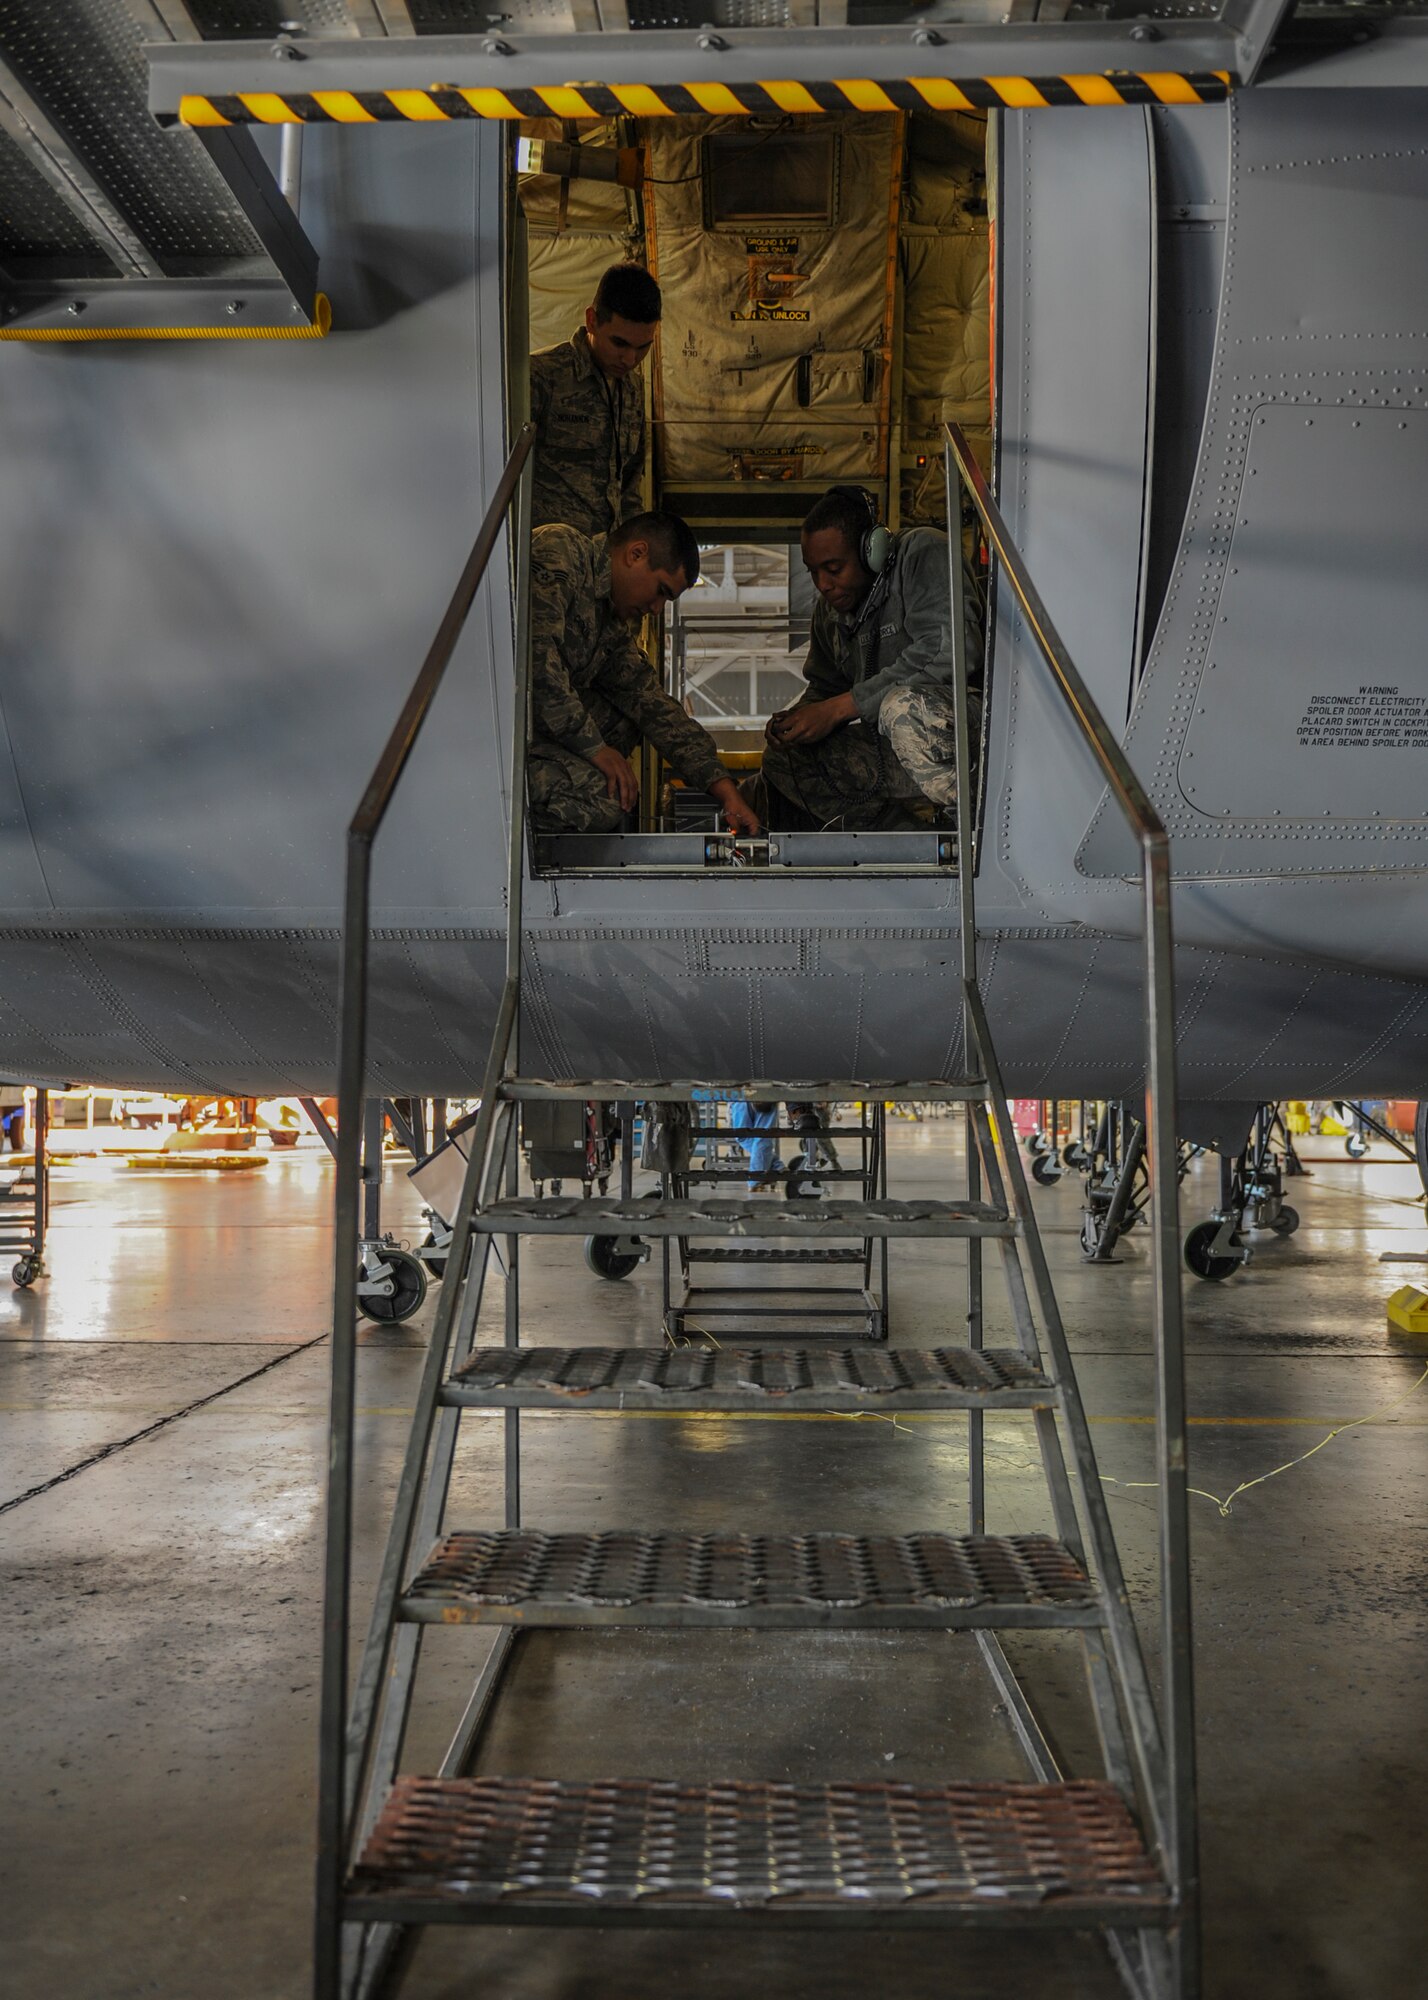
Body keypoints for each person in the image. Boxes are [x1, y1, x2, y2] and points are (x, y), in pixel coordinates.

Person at [753, 486, 982, 831]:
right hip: (891, 750)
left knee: (902, 708)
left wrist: (842, 708)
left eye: (833, 568)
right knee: (785, 759)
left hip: (964, 735)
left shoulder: (923, 553)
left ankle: (973, 831)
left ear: (870, 551)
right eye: (813, 572)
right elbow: (826, 686)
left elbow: (950, 651)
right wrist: (800, 720)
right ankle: (899, 836)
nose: (823, 585)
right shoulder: (829, 614)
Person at [528, 510, 761, 837]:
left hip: (535, 733)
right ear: (636, 554)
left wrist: (726, 792)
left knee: (629, 719)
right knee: (603, 803)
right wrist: (595, 749)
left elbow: (654, 707)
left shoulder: (609, 624)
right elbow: (535, 664)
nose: (656, 609)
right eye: (662, 591)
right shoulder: (562, 551)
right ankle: (509, 816)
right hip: (491, 735)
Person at [529, 262, 660, 537]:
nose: (631, 359)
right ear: (592, 320)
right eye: (619, 343)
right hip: (549, 564)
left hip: (604, 563)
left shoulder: (633, 389)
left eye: (643, 347)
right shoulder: (543, 376)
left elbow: (628, 486)